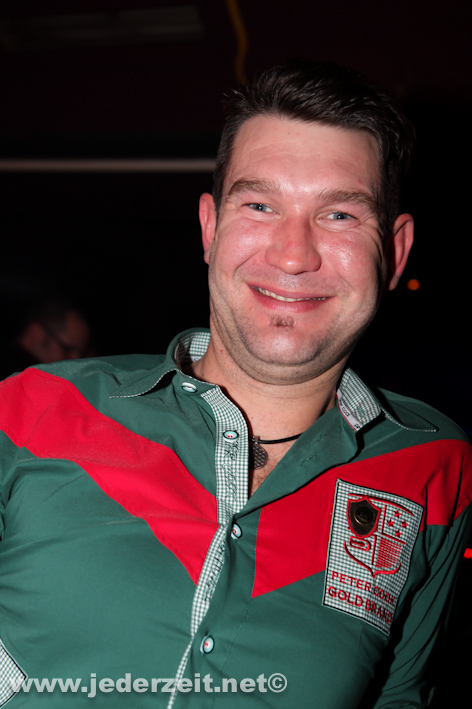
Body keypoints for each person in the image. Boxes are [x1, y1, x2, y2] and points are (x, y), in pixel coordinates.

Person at [0, 60, 470, 708]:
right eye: (260, 205)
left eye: (339, 214)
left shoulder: (433, 465)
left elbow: (399, 696)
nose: (293, 254)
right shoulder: (31, 409)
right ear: (210, 227)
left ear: (396, 250)